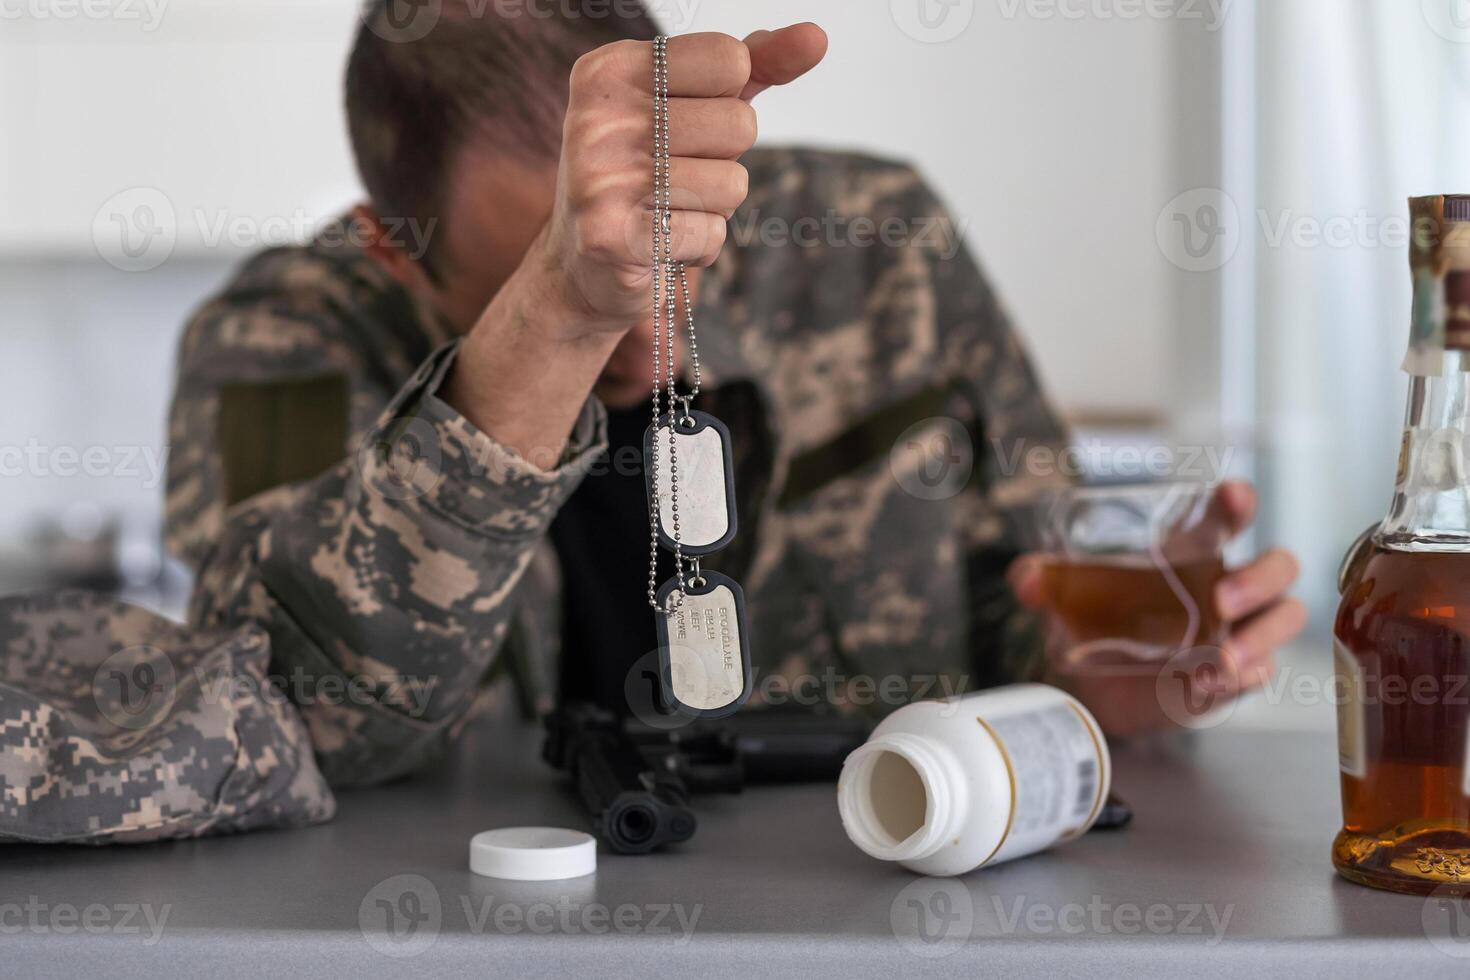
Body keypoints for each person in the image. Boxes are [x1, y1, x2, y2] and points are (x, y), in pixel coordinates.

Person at [0, 1, 1304, 844]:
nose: (649, 333)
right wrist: (548, 325)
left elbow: (1022, 624)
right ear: (391, 255)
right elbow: (285, 734)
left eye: (676, 250)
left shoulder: (878, 247)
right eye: (546, 271)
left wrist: (1102, 674)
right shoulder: (278, 341)